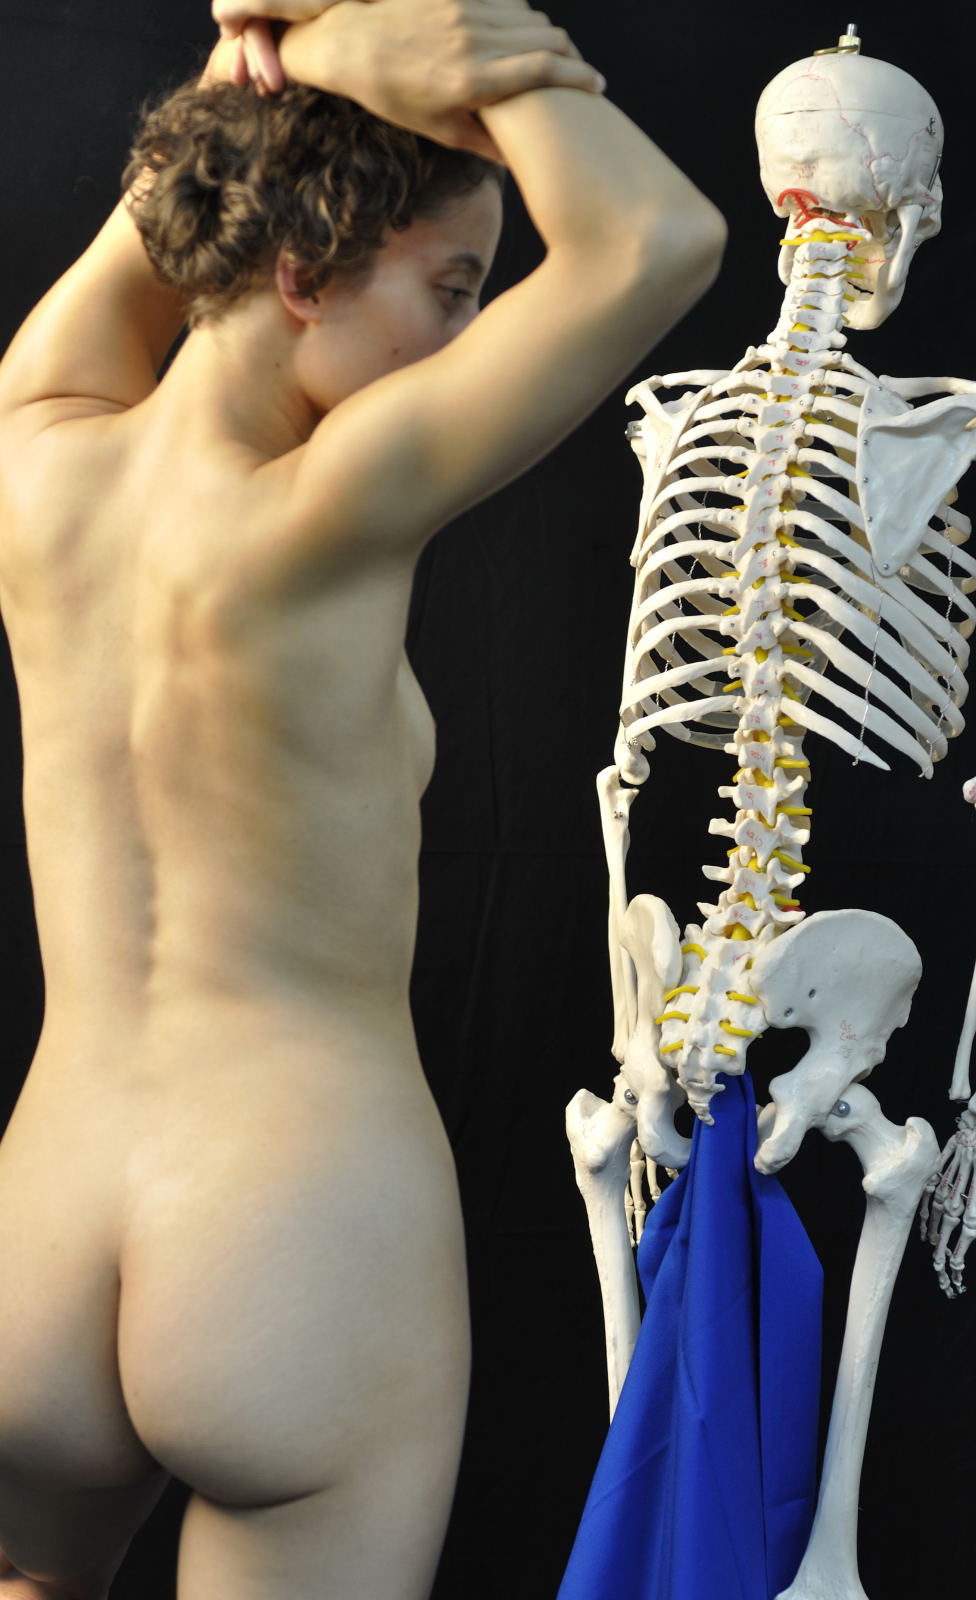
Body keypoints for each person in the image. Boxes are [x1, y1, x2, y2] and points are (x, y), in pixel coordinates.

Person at [0, 2, 725, 1595]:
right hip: (287, 1232)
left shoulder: (34, 437)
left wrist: (312, 51)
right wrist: (448, 54)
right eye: (452, 288)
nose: (464, 340)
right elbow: (657, 238)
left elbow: (188, 190)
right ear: (303, 271)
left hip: (38, 1242)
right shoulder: (329, 504)